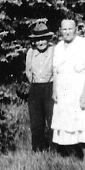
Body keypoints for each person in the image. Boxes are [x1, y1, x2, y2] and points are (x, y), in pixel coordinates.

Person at [51, 18, 85, 161]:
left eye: (70, 29)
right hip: (64, 94)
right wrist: (54, 91)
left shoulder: (84, 44)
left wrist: (84, 96)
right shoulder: (58, 47)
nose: (67, 32)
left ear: (76, 29)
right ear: (61, 31)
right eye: (64, 29)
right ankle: (68, 157)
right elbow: (55, 71)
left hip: (79, 92)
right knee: (65, 123)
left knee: (82, 124)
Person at [25, 20, 55, 152]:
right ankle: (38, 150)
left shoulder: (54, 50)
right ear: (34, 41)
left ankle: (55, 150)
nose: (41, 42)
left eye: (43, 39)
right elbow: (28, 71)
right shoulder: (30, 53)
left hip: (51, 88)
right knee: (36, 123)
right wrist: (34, 85)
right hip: (36, 89)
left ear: (48, 39)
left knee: (53, 120)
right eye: (38, 40)